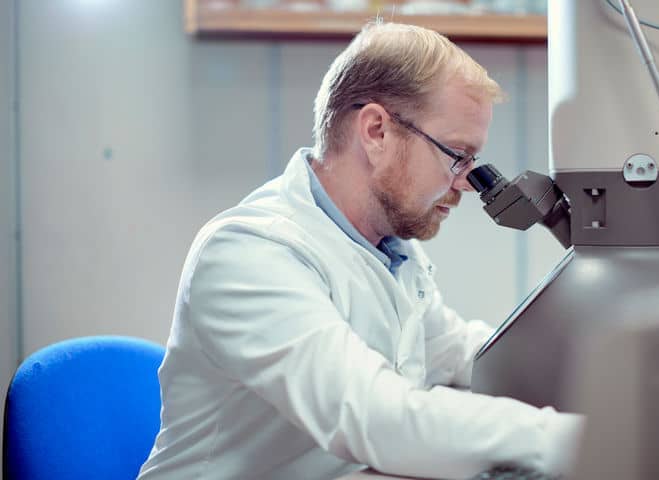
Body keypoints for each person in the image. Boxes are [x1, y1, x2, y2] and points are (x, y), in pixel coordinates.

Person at [137, 22, 583, 480]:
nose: (466, 183)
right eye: (457, 155)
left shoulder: (391, 252)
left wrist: (595, 377)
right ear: (376, 131)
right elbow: (371, 415)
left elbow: (464, 354)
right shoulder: (249, 253)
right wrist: (581, 441)